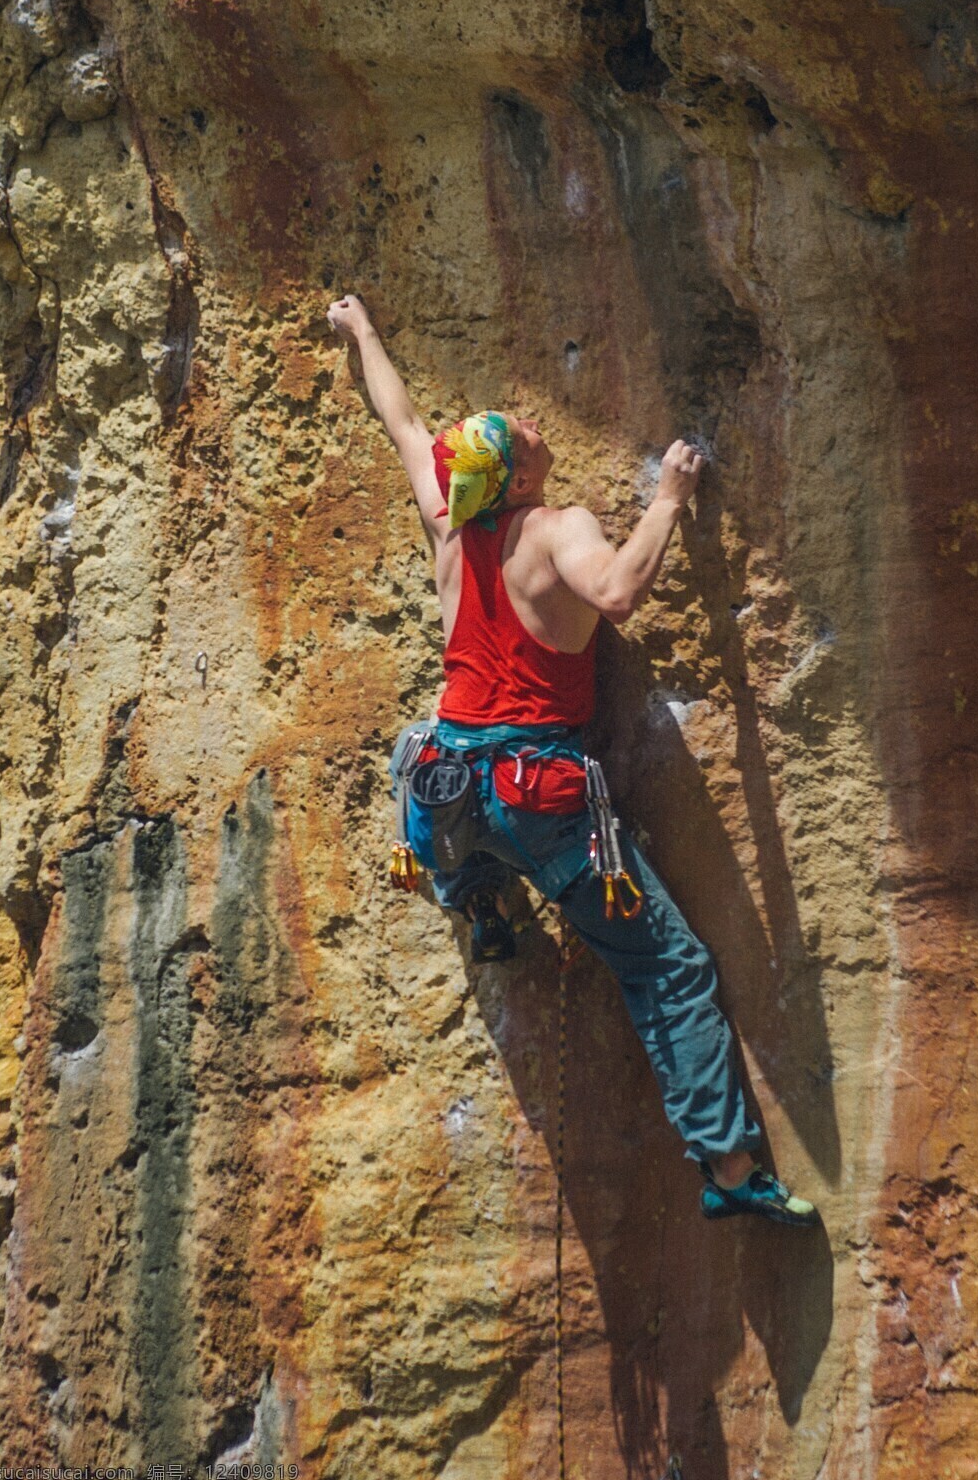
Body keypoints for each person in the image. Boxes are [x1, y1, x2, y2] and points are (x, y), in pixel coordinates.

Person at [326, 293, 818, 1227]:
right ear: (513, 477)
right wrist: (670, 497)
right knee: (666, 968)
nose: (538, 423)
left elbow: (402, 422)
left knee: (442, 797)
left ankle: (477, 900)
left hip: (441, 786)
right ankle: (729, 1168)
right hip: (534, 797)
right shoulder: (554, 531)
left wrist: (366, 334)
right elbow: (622, 592)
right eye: (523, 431)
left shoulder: (449, 523)